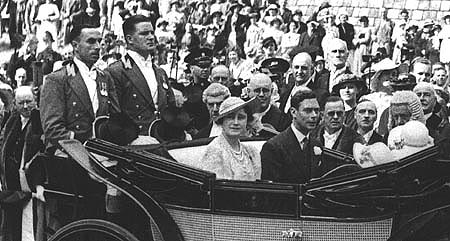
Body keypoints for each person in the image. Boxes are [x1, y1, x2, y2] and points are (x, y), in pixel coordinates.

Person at [40, 24, 120, 153]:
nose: (97, 47)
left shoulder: (105, 77)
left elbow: (115, 116)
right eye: (91, 41)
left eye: (99, 41)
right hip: (69, 151)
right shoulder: (58, 79)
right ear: (75, 46)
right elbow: (52, 129)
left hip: (104, 150)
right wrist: (81, 142)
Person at [105, 15, 175, 135]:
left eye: (152, 33)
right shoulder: (116, 71)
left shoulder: (160, 72)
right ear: (130, 39)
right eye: (144, 33)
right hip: (134, 141)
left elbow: (171, 108)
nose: (151, 37)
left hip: (164, 137)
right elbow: (115, 115)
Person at [0, 86, 44, 241]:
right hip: (11, 186)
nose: (25, 106)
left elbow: (41, 156)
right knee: (11, 226)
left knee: (29, 228)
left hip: (30, 186)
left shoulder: (40, 120)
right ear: (15, 104)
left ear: (35, 101)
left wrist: (39, 184)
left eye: (29, 101)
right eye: (21, 103)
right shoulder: (12, 120)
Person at [260, 90, 324, 184]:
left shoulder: (316, 144)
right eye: (308, 111)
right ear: (293, 112)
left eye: (316, 110)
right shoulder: (273, 147)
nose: (314, 115)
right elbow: (272, 191)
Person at [198, 97, 261, 181]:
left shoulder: (252, 151)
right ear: (222, 121)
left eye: (241, 117)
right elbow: (218, 190)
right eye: (230, 117)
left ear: (247, 121)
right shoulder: (214, 151)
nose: (236, 122)